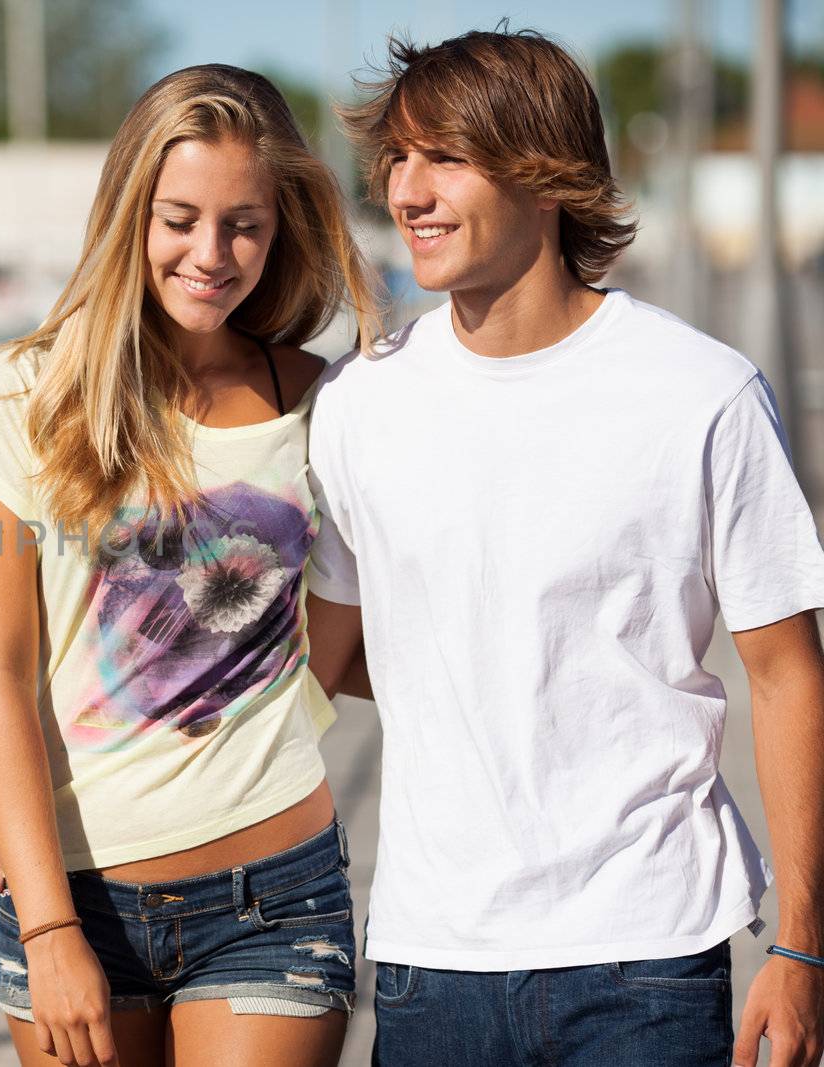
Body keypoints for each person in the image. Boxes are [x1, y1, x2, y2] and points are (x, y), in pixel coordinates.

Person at [304, 28, 824, 1066]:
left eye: (442, 156)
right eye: (396, 159)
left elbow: (785, 676)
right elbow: (326, 660)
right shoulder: (360, 402)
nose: (406, 189)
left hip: (648, 957)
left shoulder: (699, 392)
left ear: (544, 171)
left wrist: (803, 948)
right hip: (427, 959)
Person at [0, 64, 378, 1067]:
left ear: (279, 226)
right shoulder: (9, 404)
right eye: (179, 218)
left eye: (243, 224)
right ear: (129, 212)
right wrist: (46, 927)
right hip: (73, 900)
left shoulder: (324, 403)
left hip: (276, 892)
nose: (211, 254)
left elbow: (330, 641)